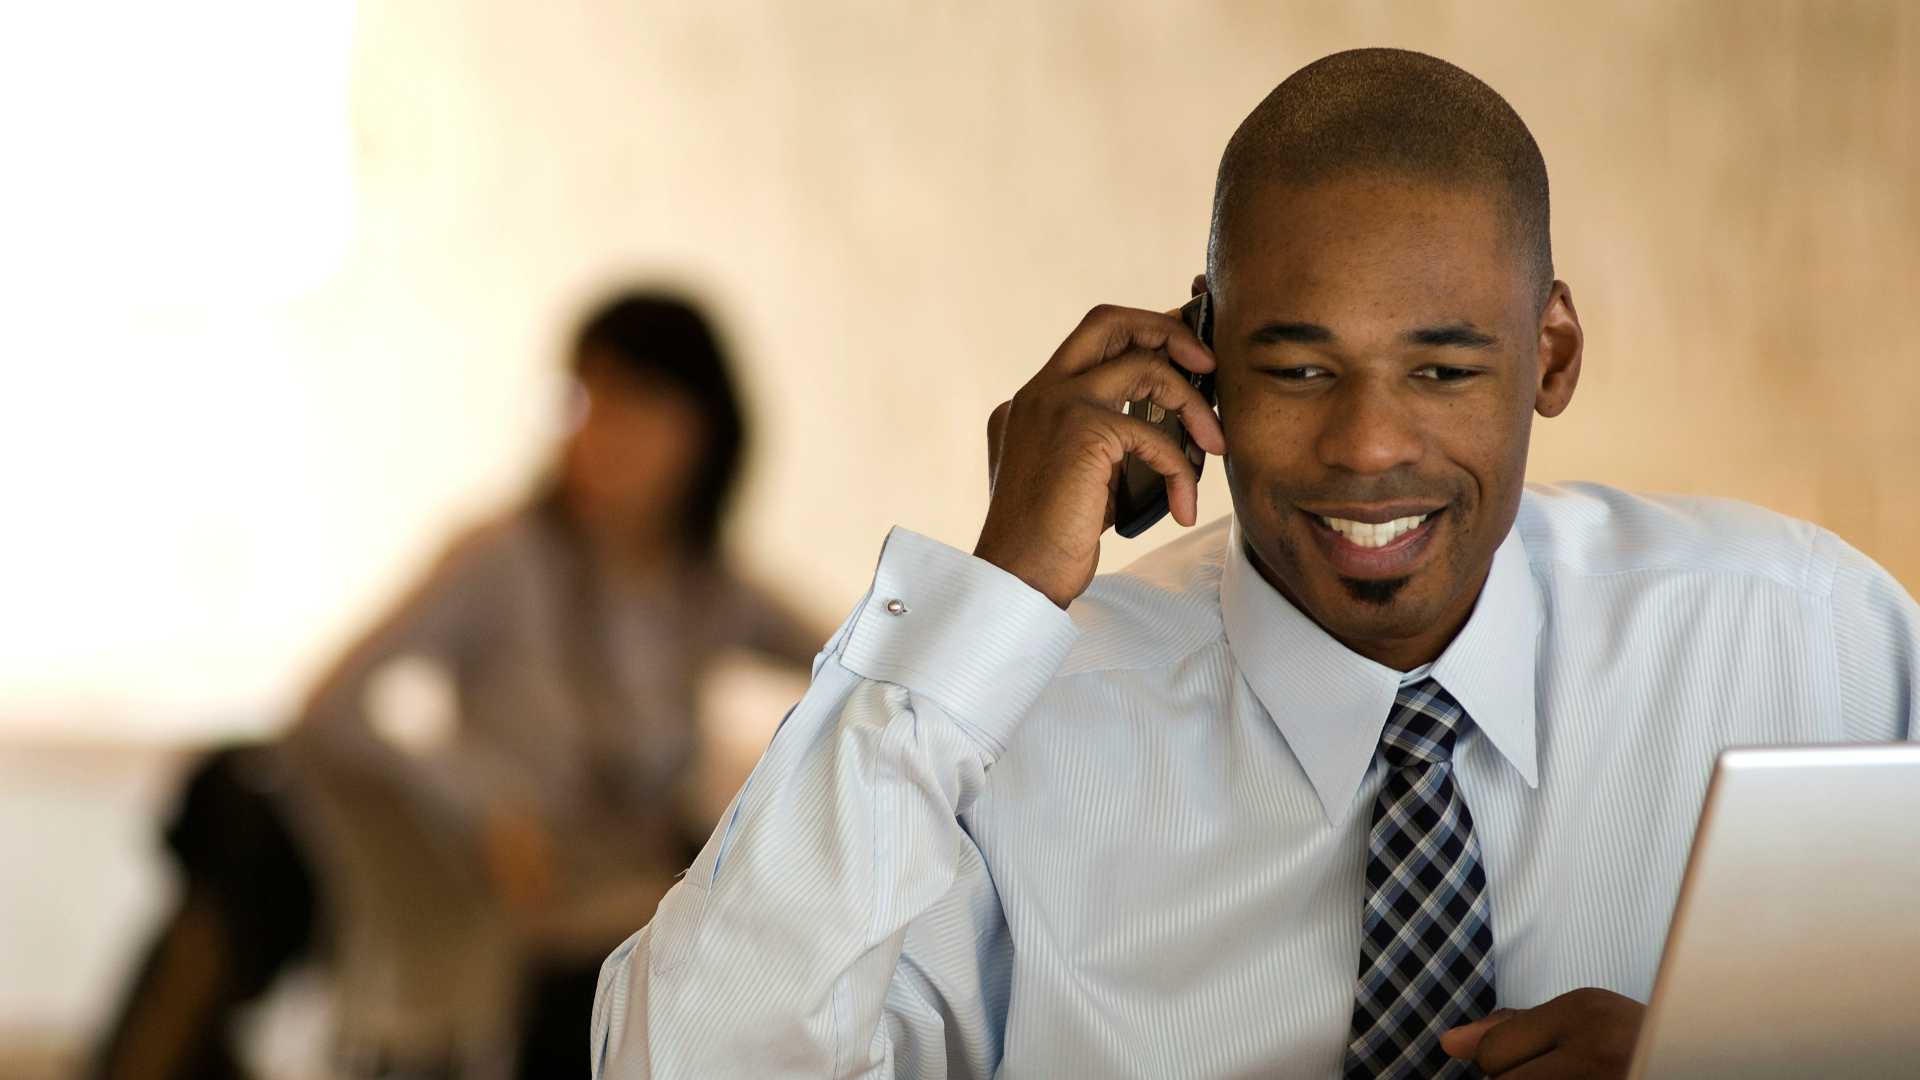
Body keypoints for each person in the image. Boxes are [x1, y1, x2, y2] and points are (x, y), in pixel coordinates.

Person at [589, 50, 1920, 1079]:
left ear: (1551, 357)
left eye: (1442, 371)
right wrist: (990, 598)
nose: (1368, 446)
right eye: (1297, 369)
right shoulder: (1008, 733)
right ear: (1198, 356)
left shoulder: (1812, 643)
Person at [91, 291, 823, 1080]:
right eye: (586, 400)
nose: (601, 433)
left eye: (635, 404)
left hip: (623, 914)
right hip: (486, 898)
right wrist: (482, 805)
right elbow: (333, 706)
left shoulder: (712, 591)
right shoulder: (504, 557)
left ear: (703, 430)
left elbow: (862, 651)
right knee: (242, 799)